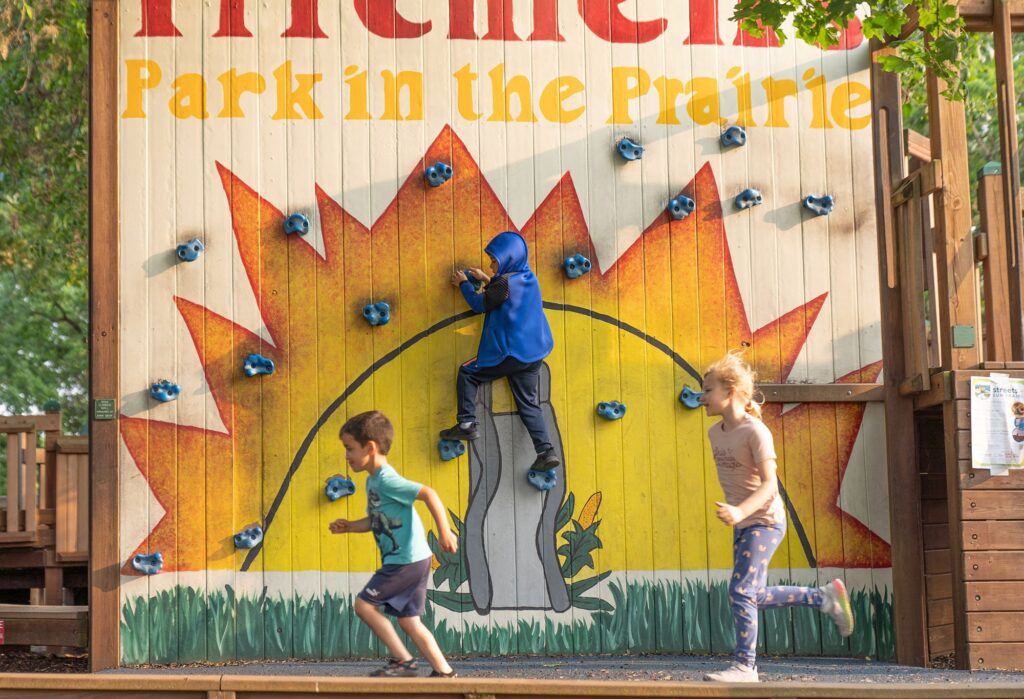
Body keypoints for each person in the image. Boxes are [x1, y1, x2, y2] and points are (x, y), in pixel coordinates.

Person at [700, 352, 854, 683]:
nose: (702, 397)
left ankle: (746, 666)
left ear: (729, 391)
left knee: (741, 592)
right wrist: (739, 515)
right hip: (744, 524)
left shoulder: (756, 432)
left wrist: (742, 510)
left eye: (707, 389)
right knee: (750, 594)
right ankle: (823, 597)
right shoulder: (716, 433)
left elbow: (771, 484)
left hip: (765, 521)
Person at [330, 410, 459, 678]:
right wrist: (352, 526)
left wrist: (445, 532)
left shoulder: (386, 479)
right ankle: (445, 673)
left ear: (371, 447)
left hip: (405, 561)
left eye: (349, 448)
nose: (346, 456)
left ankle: (404, 661)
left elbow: (428, 494)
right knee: (409, 621)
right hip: (413, 559)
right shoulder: (373, 481)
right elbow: (379, 519)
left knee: (364, 606)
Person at [440, 230, 559, 474]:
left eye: (494, 260)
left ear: (507, 259)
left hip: (511, 353)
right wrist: (487, 279)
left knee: (468, 372)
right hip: (534, 352)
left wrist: (463, 284)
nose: (492, 264)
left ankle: (466, 423)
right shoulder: (528, 277)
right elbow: (505, 292)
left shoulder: (502, 284)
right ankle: (546, 451)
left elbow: (480, 304)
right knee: (529, 403)